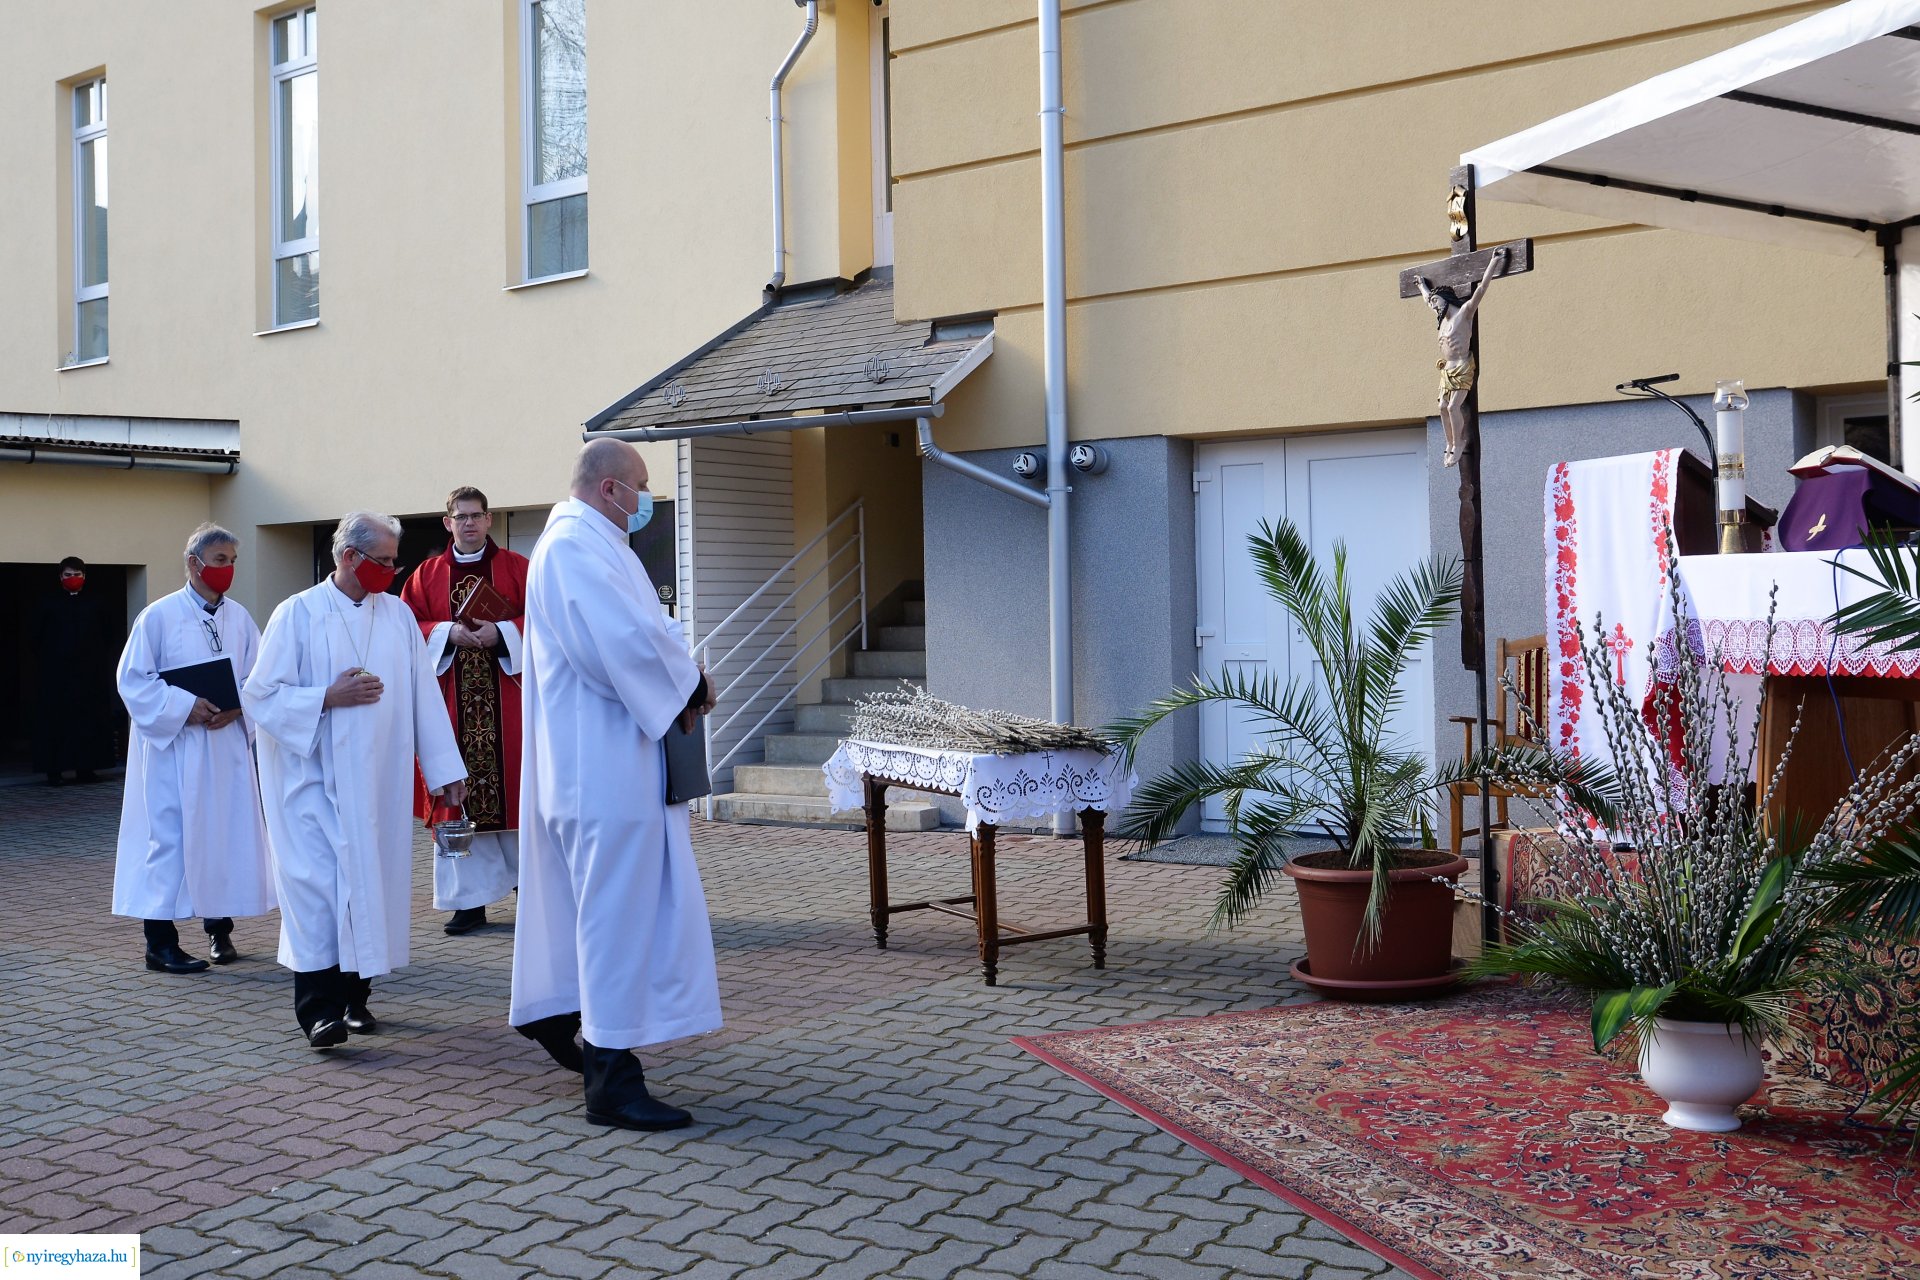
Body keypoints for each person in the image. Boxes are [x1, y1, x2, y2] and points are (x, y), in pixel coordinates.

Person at [510, 438, 718, 1132]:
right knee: (614, 915)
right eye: (641, 486)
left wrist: (678, 670)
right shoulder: (573, 546)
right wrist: (689, 681)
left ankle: (560, 1013)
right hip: (598, 765)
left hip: (611, 758)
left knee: (600, 909)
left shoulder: (596, 544)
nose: (646, 499)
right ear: (609, 490)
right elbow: (623, 644)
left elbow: (646, 630)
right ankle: (609, 1077)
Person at [243, 511, 468, 1049]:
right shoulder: (296, 614)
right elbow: (260, 695)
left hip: (377, 784)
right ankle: (319, 1013)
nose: (394, 571)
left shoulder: (395, 616)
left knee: (370, 888)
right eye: (386, 561)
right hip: (312, 785)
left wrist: (446, 774)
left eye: (395, 561)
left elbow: (423, 697)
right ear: (349, 558)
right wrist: (325, 697)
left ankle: (357, 1001)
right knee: (318, 895)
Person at [111, 525, 278, 974]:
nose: (228, 570)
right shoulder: (158, 616)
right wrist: (185, 706)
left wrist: (238, 705)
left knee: (221, 835)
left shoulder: (240, 618)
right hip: (174, 750)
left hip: (223, 747)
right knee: (168, 841)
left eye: (232, 561)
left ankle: (219, 932)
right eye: (220, 560)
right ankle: (159, 943)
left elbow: (260, 677)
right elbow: (133, 680)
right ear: (194, 563)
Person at [400, 486, 530, 936]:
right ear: (447, 523)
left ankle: (530, 891)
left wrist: (505, 633)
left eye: (477, 515)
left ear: (490, 519)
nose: (470, 523)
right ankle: (468, 903)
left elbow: (548, 621)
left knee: (518, 798)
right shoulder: (425, 575)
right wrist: (443, 633)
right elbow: (404, 625)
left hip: (509, 709)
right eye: (461, 516)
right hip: (450, 708)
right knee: (458, 797)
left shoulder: (517, 569)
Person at [1416, 245, 1507, 469]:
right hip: (1447, 370)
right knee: (1441, 408)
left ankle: (1459, 443)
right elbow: (1428, 299)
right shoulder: (1442, 319)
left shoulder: (1464, 313)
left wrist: (1493, 262)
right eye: (1434, 304)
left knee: (1452, 408)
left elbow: (1482, 289)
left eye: (1437, 303)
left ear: (1446, 299)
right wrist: (1421, 286)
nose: (1434, 306)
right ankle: (1449, 443)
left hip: (1463, 366)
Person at [30, 556, 117, 786]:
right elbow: (35, 637)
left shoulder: (96, 602)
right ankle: (54, 771)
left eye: (77, 575)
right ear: (60, 577)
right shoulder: (47, 603)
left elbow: (109, 634)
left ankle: (86, 769)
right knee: (54, 723)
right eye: (68, 575)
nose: (73, 579)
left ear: (84, 577)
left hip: (90, 675)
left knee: (88, 722)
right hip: (55, 676)